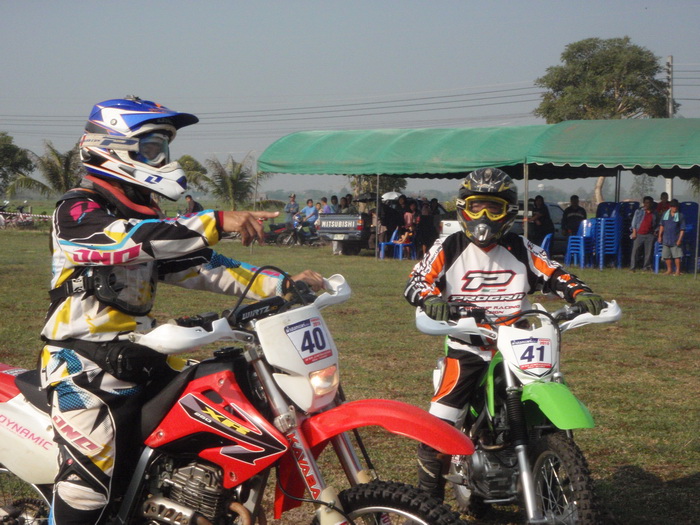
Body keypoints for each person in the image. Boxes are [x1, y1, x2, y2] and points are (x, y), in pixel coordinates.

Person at [39, 96, 324, 525]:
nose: (162, 159)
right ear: (113, 148)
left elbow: (202, 267)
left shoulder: (146, 217)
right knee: (87, 489)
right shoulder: (78, 208)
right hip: (81, 366)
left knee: (208, 425)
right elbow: (123, 240)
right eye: (152, 147)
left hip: (141, 353)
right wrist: (215, 221)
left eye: (163, 147)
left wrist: (280, 283)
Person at [403, 168, 605, 501]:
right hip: (468, 346)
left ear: (507, 213)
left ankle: (550, 469)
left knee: (548, 406)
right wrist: (430, 300)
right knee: (439, 424)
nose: (483, 216)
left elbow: (554, 273)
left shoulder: (521, 247)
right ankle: (427, 504)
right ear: (463, 207)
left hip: (519, 344)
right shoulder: (448, 245)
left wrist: (580, 293)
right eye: (477, 206)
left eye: (493, 208)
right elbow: (416, 282)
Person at [658, 199, 686, 275]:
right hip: (666, 238)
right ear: (670, 207)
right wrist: (660, 236)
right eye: (673, 207)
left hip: (675, 239)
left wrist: (679, 239)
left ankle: (677, 271)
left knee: (677, 256)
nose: (675, 208)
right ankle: (669, 270)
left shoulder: (680, 216)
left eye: (676, 207)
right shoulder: (665, 214)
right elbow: (662, 225)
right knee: (666, 256)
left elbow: (682, 229)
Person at [630, 196, 658, 271]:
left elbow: (657, 223)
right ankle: (633, 267)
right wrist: (634, 232)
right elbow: (634, 222)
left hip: (649, 234)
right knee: (635, 251)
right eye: (645, 203)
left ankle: (646, 267)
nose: (647, 204)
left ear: (651, 203)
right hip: (639, 233)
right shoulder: (639, 211)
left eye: (648, 203)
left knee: (648, 252)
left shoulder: (654, 213)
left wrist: (655, 231)